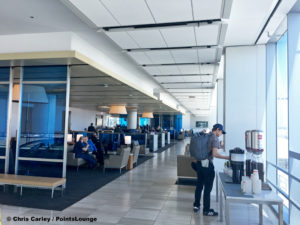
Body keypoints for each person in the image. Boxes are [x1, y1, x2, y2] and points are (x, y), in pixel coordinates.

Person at [193, 123, 230, 216]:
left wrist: (219, 146)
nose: (221, 134)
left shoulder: (205, 135)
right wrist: (227, 157)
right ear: (217, 129)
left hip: (199, 163)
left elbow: (205, 148)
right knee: (207, 188)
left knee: (199, 185)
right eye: (221, 132)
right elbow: (215, 154)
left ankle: (196, 205)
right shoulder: (215, 138)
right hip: (208, 165)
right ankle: (206, 210)